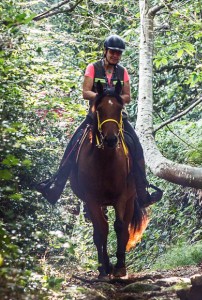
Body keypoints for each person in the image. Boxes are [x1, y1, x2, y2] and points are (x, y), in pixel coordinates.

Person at [36, 34, 163, 206]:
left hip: (117, 118)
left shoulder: (122, 71)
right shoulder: (93, 68)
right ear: (105, 51)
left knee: (136, 147)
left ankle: (142, 191)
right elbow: (85, 92)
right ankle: (55, 187)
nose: (115, 56)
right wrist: (102, 97)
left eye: (118, 53)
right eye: (112, 52)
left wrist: (114, 99)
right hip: (95, 117)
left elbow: (127, 96)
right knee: (73, 144)